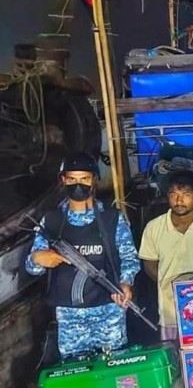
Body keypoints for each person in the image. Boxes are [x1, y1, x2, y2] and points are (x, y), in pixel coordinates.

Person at [25, 152, 140, 358]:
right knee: (76, 372)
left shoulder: (112, 219)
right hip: (70, 318)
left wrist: (125, 283)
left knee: (114, 368)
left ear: (94, 180)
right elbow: (32, 269)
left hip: (109, 312)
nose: (78, 185)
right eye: (72, 179)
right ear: (63, 180)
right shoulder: (50, 221)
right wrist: (37, 259)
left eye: (84, 179)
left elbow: (129, 258)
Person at [139, 170, 193, 342]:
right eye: (174, 195)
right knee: (173, 354)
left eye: (186, 195)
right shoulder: (153, 228)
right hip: (170, 313)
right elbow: (149, 264)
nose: (179, 201)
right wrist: (174, 287)